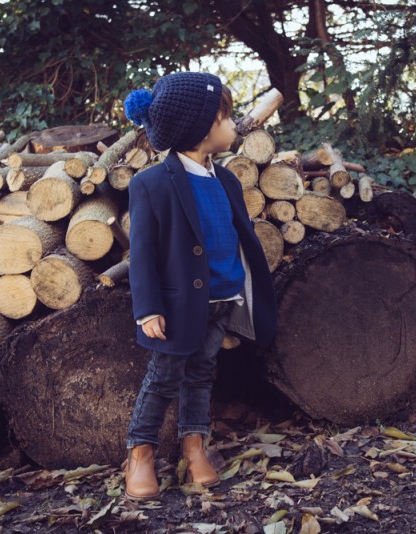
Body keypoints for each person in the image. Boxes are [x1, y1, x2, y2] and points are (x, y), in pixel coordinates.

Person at [121, 71, 277, 501]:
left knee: (202, 374)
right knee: (163, 376)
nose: (235, 125)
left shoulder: (226, 179)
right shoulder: (151, 183)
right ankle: (141, 452)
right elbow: (143, 254)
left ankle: (194, 447)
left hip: (223, 298)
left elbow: (236, 235)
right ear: (204, 125)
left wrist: (245, 289)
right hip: (175, 306)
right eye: (227, 117)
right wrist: (147, 308)